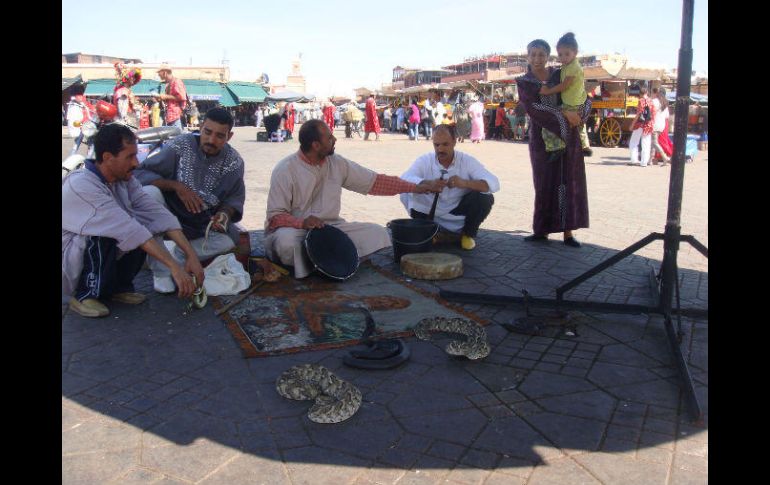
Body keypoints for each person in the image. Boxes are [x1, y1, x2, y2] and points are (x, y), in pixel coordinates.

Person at [62, 123, 205, 318]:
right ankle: (83, 295)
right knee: (108, 233)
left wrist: (191, 256)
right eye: (130, 157)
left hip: (108, 244)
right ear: (107, 158)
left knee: (143, 224)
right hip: (69, 259)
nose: (136, 163)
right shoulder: (82, 185)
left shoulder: (124, 179)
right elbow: (130, 230)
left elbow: (157, 214)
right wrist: (175, 267)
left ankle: (117, 289)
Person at [263, 119, 433, 278]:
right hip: (296, 231)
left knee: (377, 233)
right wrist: (302, 223)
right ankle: (327, 262)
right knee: (287, 243)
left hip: (331, 228)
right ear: (316, 145)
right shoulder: (285, 169)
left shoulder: (337, 163)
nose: (335, 139)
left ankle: (323, 264)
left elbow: (374, 182)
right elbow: (275, 217)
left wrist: (415, 187)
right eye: (330, 138)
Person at [133, 107, 246, 293]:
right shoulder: (181, 145)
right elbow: (141, 172)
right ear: (200, 127)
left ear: (229, 136)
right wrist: (176, 186)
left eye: (220, 136)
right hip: (170, 213)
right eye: (207, 132)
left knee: (229, 240)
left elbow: (234, 197)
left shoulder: (234, 162)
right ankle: (161, 272)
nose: (211, 140)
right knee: (149, 194)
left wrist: (224, 215)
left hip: (200, 223)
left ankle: (174, 257)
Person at [517, 38, 590, 248]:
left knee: (569, 180)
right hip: (541, 141)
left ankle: (568, 232)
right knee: (543, 183)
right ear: (528, 56)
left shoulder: (561, 74)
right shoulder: (525, 82)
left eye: (541, 54)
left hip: (569, 139)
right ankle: (541, 230)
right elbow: (533, 109)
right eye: (533, 54)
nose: (537, 58)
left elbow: (581, 93)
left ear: (548, 56)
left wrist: (580, 113)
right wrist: (564, 114)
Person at [400, 124, 499, 251]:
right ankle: (429, 231)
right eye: (436, 145)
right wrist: (427, 183)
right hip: (429, 211)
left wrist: (465, 183)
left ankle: (467, 234)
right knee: (406, 190)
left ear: (454, 142)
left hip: (457, 213)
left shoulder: (467, 161)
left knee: (485, 197)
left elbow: (493, 183)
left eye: (445, 144)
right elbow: (405, 178)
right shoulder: (425, 160)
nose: (440, 149)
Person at [538, 32, 593, 159]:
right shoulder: (568, 66)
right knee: (578, 126)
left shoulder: (573, 67)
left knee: (551, 125)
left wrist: (547, 91)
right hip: (576, 102)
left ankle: (556, 148)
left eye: (567, 54)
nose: (563, 58)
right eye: (560, 54)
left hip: (572, 103)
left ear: (575, 52)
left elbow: (564, 85)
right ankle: (584, 146)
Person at [627, 86, 656, 167]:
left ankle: (634, 160)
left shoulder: (641, 101)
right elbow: (654, 114)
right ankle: (644, 162)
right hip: (648, 124)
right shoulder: (651, 101)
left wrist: (632, 124)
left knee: (634, 142)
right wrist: (652, 124)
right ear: (647, 92)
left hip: (639, 124)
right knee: (646, 143)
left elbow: (638, 114)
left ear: (640, 93)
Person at [152, 64, 187, 130]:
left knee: (177, 135)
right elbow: (172, 99)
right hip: (171, 116)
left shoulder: (176, 82)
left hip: (176, 116)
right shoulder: (169, 83)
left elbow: (182, 97)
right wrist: (161, 98)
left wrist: (166, 96)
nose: (158, 75)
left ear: (165, 73)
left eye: (159, 73)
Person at [112, 62, 143, 127]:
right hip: (125, 125)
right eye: (132, 77)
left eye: (135, 77)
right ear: (127, 78)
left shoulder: (125, 91)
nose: (134, 79)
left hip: (129, 124)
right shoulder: (123, 92)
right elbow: (123, 114)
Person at [650, 87, 671, 166]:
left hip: (654, 124)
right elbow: (667, 116)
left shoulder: (654, 101)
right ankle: (650, 160)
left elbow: (650, 112)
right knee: (653, 142)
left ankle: (665, 157)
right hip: (662, 125)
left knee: (654, 142)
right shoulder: (665, 102)